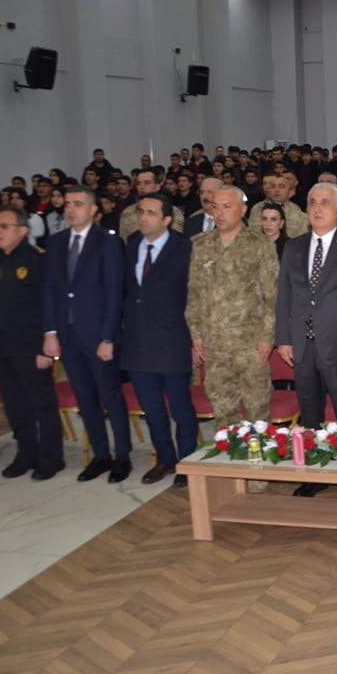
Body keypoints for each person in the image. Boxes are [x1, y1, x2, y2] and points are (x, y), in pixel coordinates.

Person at [276, 183, 337, 497]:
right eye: (312, 202)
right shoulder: (293, 247)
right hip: (302, 345)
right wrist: (283, 338)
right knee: (310, 413)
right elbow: (285, 297)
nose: (317, 208)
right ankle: (315, 472)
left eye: (324, 203)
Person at [41, 185, 133, 482]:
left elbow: (113, 293)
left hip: (98, 336)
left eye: (78, 204)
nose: (70, 209)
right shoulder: (55, 243)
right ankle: (100, 454)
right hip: (67, 335)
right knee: (84, 398)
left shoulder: (106, 242)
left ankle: (122, 456)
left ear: (94, 210)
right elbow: (50, 291)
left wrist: (108, 338)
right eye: (67, 204)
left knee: (110, 396)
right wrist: (50, 332)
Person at [0, 208, 66, 479]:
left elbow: (50, 307)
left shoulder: (38, 260)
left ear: (23, 230)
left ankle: (52, 457)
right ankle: (26, 453)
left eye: (5, 226)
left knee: (41, 403)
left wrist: (45, 348)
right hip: (1, 346)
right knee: (14, 404)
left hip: (31, 347)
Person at [186, 186, 279, 445]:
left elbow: (273, 297)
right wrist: (196, 334)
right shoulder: (201, 245)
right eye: (215, 206)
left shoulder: (259, 245)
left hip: (250, 345)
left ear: (243, 210)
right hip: (214, 346)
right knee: (223, 411)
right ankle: (231, 468)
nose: (219, 212)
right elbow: (193, 295)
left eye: (227, 206)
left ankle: (259, 468)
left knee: (258, 410)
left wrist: (267, 337)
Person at [120, 194, 198, 487]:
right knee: (152, 409)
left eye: (151, 213)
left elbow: (193, 293)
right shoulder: (131, 245)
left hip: (172, 337)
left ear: (167, 219)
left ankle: (187, 462)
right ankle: (165, 458)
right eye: (141, 211)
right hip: (138, 340)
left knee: (181, 408)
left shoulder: (184, 247)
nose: (143, 217)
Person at [117, 169, 185, 241]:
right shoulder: (128, 212)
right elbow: (124, 241)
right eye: (138, 183)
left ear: (157, 187)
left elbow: (176, 239)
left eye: (147, 183)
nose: (142, 187)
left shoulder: (173, 212)